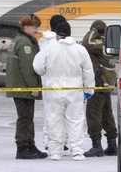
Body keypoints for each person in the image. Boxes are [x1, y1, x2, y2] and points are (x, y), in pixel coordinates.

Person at [33, 21, 95, 161]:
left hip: (53, 90)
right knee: (76, 120)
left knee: (54, 120)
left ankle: (55, 152)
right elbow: (88, 71)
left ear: (57, 34)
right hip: (75, 90)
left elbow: (38, 67)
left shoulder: (49, 48)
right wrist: (89, 89)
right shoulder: (80, 49)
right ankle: (77, 151)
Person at [6, 13, 48, 160]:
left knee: (27, 117)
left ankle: (30, 145)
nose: (37, 30)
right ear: (26, 27)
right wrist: (33, 86)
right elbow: (27, 67)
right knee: (25, 118)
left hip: (18, 85)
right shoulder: (24, 43)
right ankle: (23, 147)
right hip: (23, 86)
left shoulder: (17, 40)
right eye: (35, 27)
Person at [81, 20, 118, 157]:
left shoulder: (99, 44)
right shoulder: (108, 43)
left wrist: (93, 30)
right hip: (106, 84)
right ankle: (112, 144)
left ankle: (96, 145)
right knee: (107, 115)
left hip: (99, 83)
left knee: (93, 114)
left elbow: (86, 44)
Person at [39, 15, 69, 151]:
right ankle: (64, 143)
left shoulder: (45, 43)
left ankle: (49, 142)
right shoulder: (68, 45)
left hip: (49, 84)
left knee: (50, 114)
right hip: (68, 84)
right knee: (67, 115)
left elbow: (38, 66)